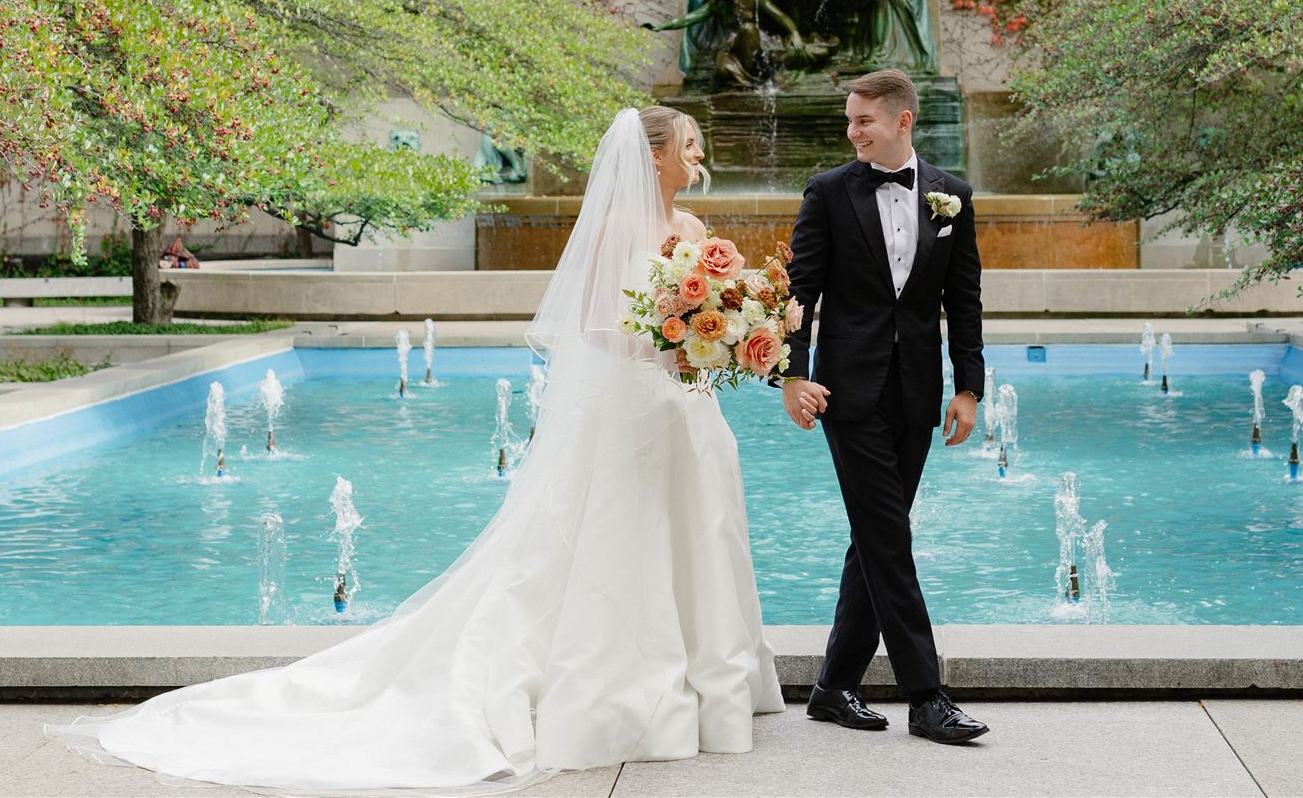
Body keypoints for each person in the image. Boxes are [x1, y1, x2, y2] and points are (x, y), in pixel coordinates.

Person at [51, 107, 782, 793]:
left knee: (697, 534)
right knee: (620, 543)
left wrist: (707, 337)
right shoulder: (612, 228)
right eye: (686, 144)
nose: (697, 156)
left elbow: (714, 311)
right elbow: (591, 327)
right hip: (631, 406)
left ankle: (710, 681)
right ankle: (626, 687)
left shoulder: (690, 225)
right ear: (652, 155)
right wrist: (664, 337)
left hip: (687, 408)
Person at [777, 67, 990, 744]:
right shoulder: (829, 192)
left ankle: (834, 685)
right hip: (848, 391)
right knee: (890, 537)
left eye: (863, 120)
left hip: (918, 392)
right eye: (850, 120)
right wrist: (790, 377)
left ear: (902, 120)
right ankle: (926, 696)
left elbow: (964, 300)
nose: (852, 131)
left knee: (876, 533)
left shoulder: (953, 195)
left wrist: (968, 387)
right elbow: (800, 290)